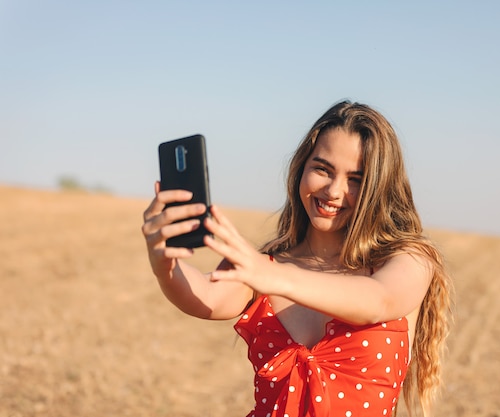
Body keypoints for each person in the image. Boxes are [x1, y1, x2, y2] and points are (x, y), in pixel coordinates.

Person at [142, 101, 453, 417]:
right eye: (322, 169)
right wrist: (165, 265)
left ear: (379, 187)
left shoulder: (409, 259)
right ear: (301, 168)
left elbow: (380, 300)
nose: (334, 191)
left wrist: (274, 277)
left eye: (356, 179)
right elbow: (205, 296)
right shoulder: (266, 267)